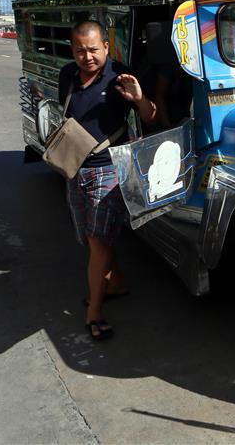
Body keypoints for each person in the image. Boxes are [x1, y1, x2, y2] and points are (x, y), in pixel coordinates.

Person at [58, 21, 156, 340]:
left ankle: (94, 311)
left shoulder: (120, 75)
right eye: (80, 50)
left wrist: (139, 98)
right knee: (90, 237)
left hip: (108, 168)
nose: (87, 56)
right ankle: (115, 284)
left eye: (93, 49)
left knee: (98, 242)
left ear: (105, 47)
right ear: (72, 49)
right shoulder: (67, 76)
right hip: (75, 167)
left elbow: (151, 115)